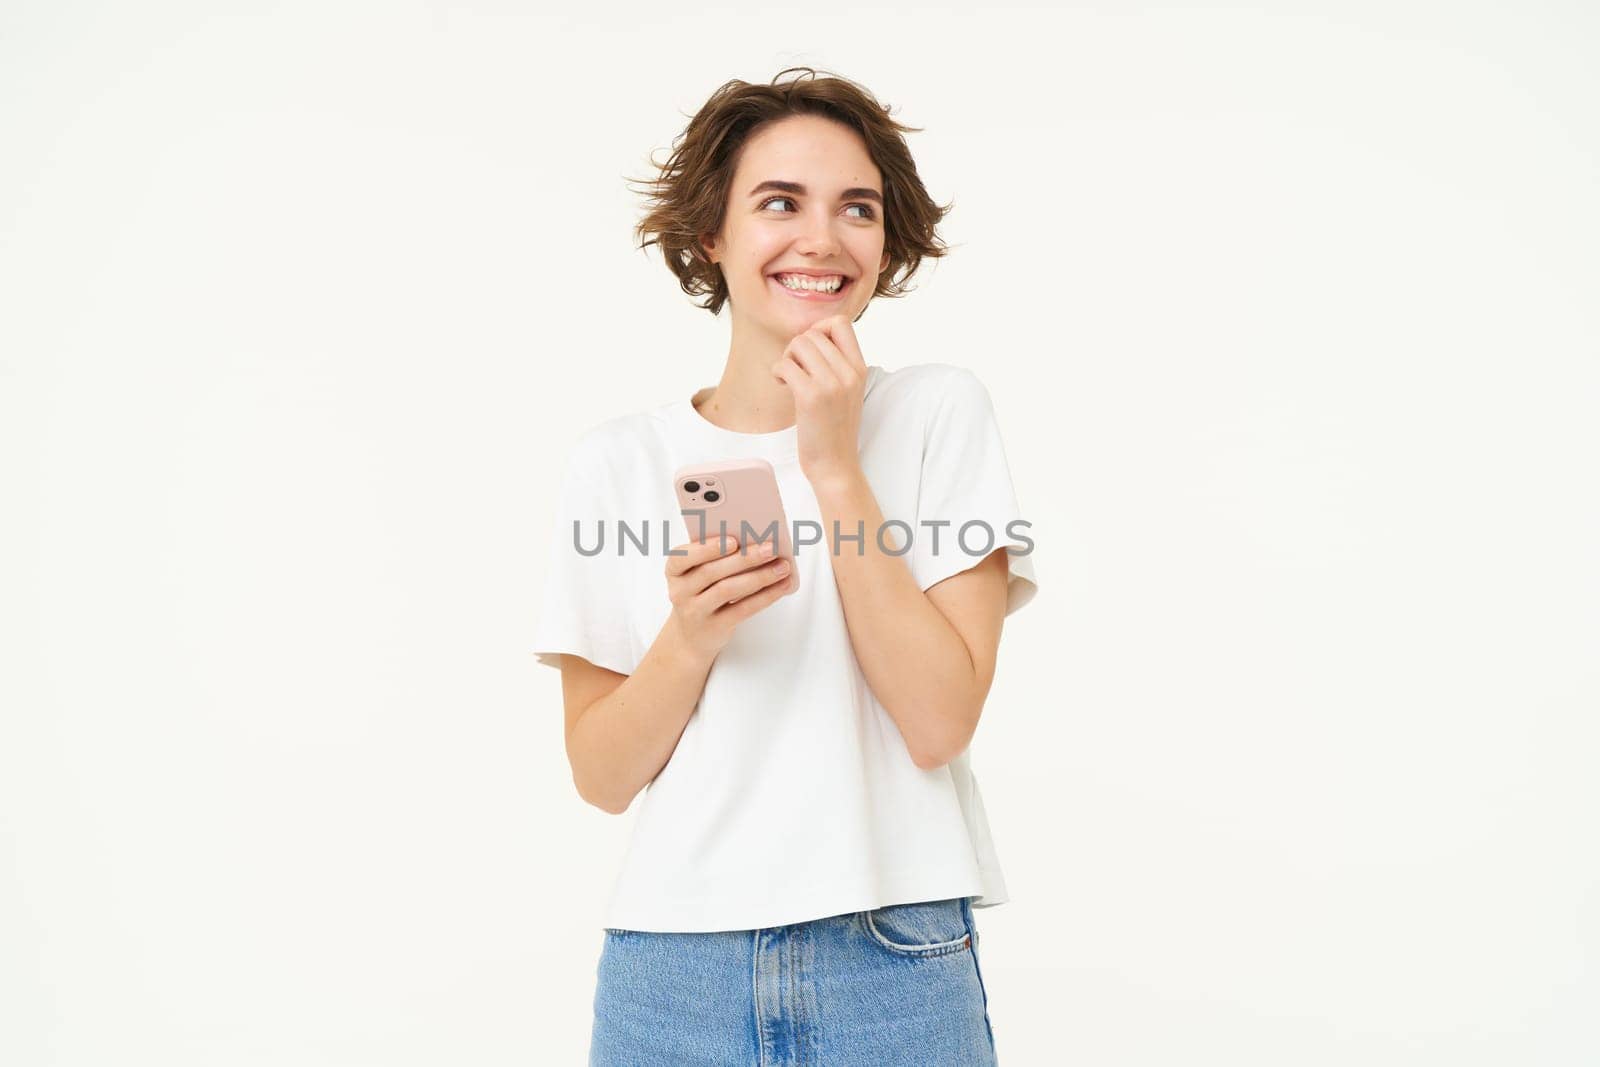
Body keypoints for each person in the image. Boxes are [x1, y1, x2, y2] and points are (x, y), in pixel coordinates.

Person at [532, 67, 1039, 1066]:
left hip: (891, 953)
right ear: (710, 236)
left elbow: (939, 722)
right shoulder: (618, 461)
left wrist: (834, 465)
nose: (822, 238)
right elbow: (600, 774)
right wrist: (691, 637)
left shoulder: (935, 413)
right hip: (671, 968)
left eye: (857, 207)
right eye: (779, 203)